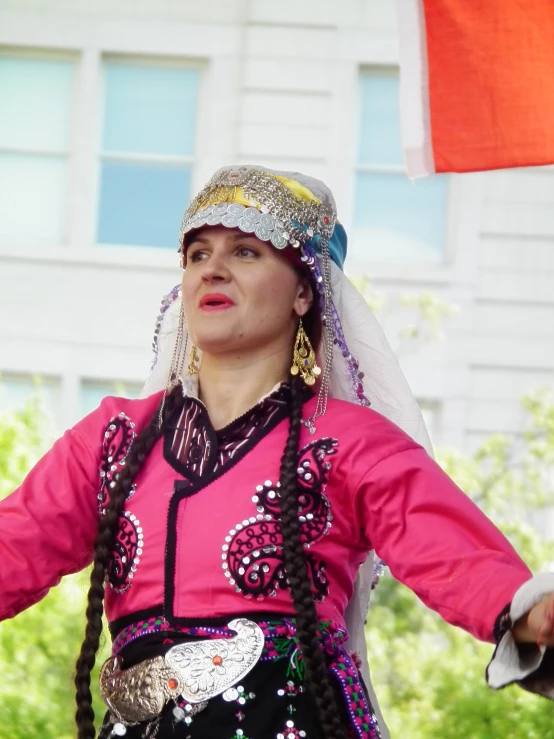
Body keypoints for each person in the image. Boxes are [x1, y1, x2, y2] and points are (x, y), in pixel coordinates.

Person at [1, 165, 553, 739]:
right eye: (197, 255)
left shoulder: (348, 440)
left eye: (245, 252)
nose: (212, 268)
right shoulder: (113, 437)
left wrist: (526, 607)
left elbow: (446, 547)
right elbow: (15, 544)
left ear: (304, 292)